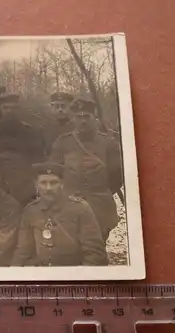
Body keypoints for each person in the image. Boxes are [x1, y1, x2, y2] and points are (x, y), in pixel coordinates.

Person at [49, 97, 123, 241]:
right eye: (79, 117)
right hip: (70, 202)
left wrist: (100, 190)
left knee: (98, 243)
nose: (83, 121)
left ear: (94, 118)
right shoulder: (63, 142)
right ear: (73, 119)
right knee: (72, 243)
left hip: (100, 204)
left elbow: (117, 175)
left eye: (86, 117)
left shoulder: (107, 143)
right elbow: (54, 171)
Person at [11, 161, 108, 267]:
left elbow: (95, 253)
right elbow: (23, 251)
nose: (48, 188)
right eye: (43, 183)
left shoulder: (80, 209)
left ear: (62, 184)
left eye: (53, 183)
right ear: (36, 185)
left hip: (72, 273)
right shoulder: (30, 210)